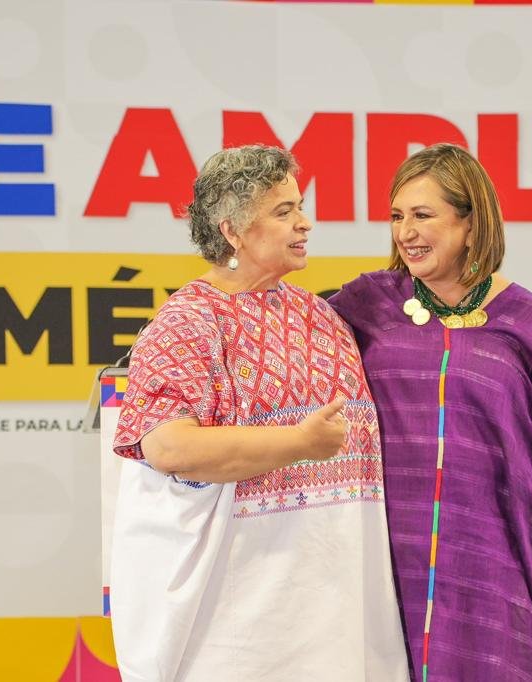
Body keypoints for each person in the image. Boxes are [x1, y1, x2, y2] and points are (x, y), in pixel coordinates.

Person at [109, 144, 409, 682]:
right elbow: (168, 446)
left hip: (338, 613)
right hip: (238, 628)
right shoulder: (186, 323)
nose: (305, 223)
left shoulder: (322, 316)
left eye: (301, 207)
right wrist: (297, 443)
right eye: (284, 211)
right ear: (232, 231)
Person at [328, 143, 532, 682]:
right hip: (385, 562)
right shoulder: (367, 304)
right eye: (397, 216)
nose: (405, 232)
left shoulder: (528, 319)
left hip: (491, 562)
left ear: (472, 224)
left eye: (422, 215)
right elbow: (292, 348)